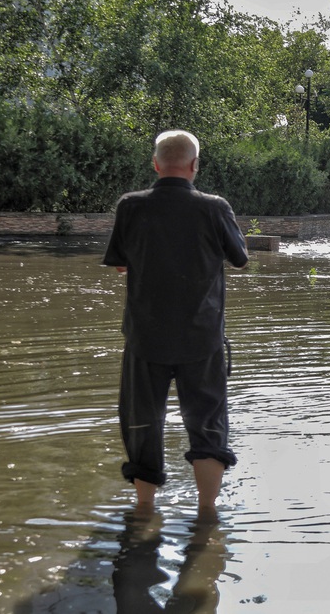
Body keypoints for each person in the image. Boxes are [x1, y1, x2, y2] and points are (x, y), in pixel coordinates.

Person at [103, 130, 249, 512]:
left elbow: (119, 263)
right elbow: (240, 258)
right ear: (194, 165)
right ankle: (205, 514)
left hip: (144, 340)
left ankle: (145, 509)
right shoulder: (215, 208)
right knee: (208, 424)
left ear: (155, 164)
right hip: (201, 341)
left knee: (142, 424)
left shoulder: (130, 206)